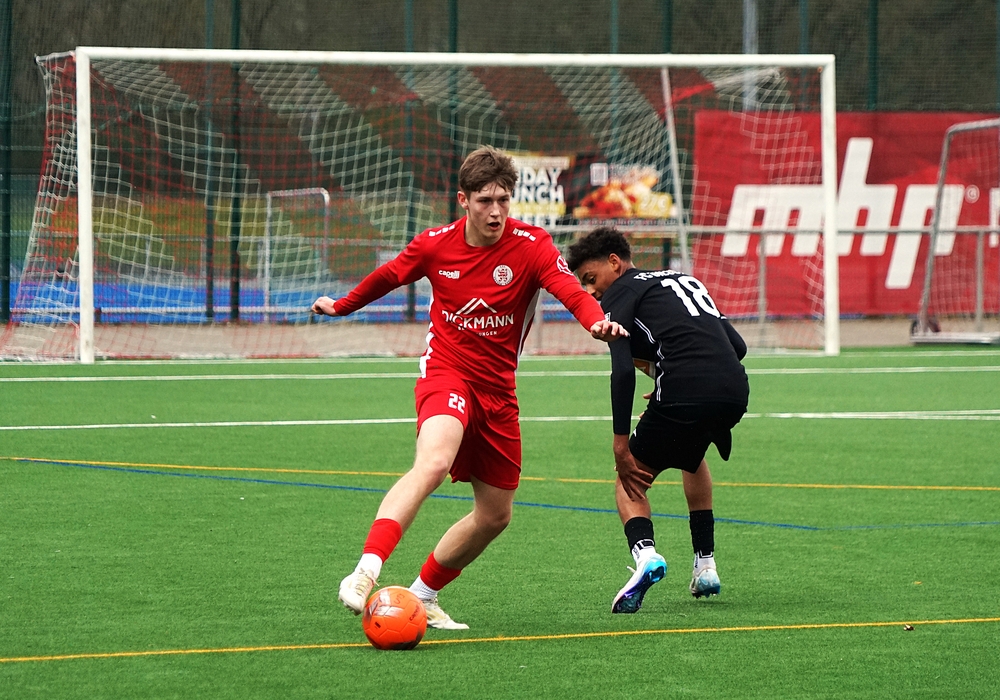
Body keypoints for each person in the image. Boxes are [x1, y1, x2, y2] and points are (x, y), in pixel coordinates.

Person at [311, 146, 627, 629]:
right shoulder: (435, 245)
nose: (496, 211)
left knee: (495, 515)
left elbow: (570, 291)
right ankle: (364, 572)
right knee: (434, 462)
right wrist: (343, 306)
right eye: (485, 201)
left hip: (498, 391)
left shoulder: (533, 245)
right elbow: (390, 275)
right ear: (463, 200)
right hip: (447, 371)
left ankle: (422, 596)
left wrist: (596, 322)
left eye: (503, 199)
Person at [566, 227, 749, 614]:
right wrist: (673, 377)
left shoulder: (619, 293)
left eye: (591, 278)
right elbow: (738, 346)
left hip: (685, 391)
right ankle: (705, 566)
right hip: (735, 390)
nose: (591, 291)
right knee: (691, 456)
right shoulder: (683, 279)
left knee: (628, 480)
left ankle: (646, 555)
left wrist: (620, 443)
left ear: (614, 262)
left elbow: (622, 371)